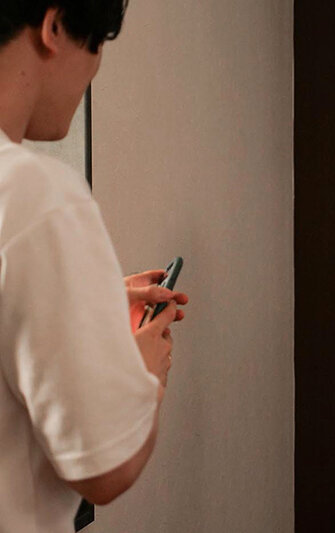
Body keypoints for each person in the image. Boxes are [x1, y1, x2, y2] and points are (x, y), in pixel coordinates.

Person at [0, 2, 188, 531]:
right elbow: (105, 469)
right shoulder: (35, 195)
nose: (95, 69)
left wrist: (88, 305)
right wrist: (144, 369)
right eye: (99, 44)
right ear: (54, 26)